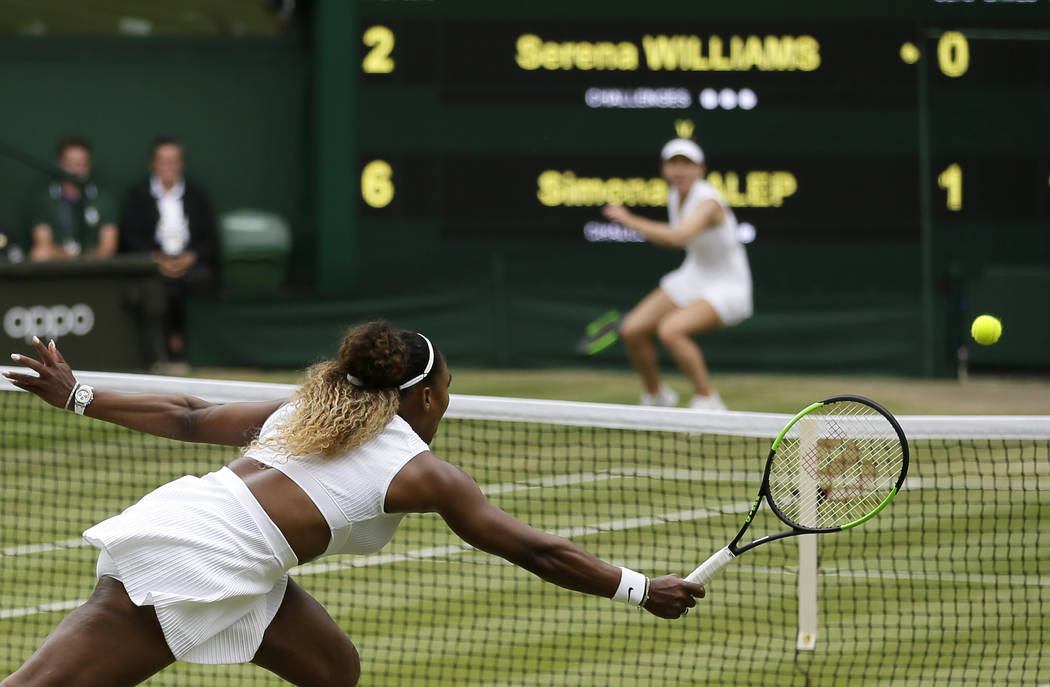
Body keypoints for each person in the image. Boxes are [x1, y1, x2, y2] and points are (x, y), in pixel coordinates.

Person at [1, 321, 704, 686]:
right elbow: (537, 549)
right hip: (196, 555)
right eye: (448, 387)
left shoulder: (309, 406)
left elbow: (190, 413)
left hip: (236, 554)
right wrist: (642, 589)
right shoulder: (424, 471)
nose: (449, 400)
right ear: (425, 396)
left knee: (331, 665)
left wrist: (80, 394)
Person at [602, 138, 752, 410]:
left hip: (730, 286)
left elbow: (679, 237)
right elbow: (674, 239)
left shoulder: (708, 203)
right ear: (664, 169)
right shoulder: (675, 195)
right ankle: (657, 397)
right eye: (673, 163)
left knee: (671, 330)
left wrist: (629, 219)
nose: (680, 170)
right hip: (695, 274)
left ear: (701, 169)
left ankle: (709, 400)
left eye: (687, 164)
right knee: (632, 330)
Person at [120, 136, 218, 363]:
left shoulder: (197, 196)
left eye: (174, 161)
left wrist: (190, 258)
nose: (169, 167)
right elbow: (130, 237)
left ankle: (193, 353)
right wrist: (156, 260)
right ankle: (159, 353)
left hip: (190, 266)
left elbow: (210, 240)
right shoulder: (137, 196)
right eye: (164, 161)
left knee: (202, 280)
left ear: (181, 164)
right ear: (153, 164)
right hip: (153, 266)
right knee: (152, 288)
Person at [25, 136, 119, 262]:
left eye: (81, 164)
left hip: (94, 265)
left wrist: (87, 260)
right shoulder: (44, 199)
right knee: (38, 253)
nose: (75, 170)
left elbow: (108, 246)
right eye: (69, 164)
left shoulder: (104, 199)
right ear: (58, 164)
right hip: (58, 262)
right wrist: (71, 259)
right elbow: (42, 243)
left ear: (89, 165)